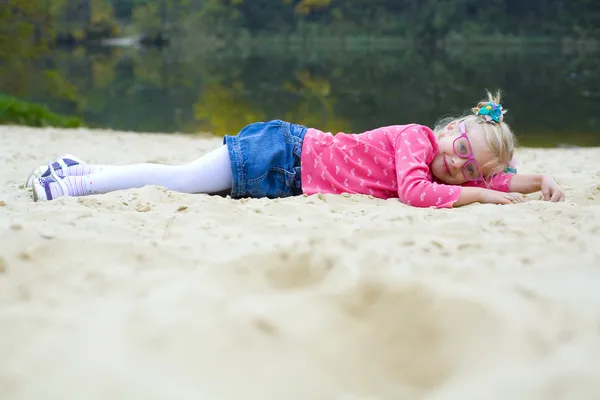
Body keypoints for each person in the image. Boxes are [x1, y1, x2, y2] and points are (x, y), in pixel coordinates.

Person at [27, 90, 565, 208]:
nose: (457, 163)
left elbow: (484, 179)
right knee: (179, 179)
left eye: (468, 167)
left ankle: (78, 168)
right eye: (459, 147)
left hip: (283, 177)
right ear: (448, 129)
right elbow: (416, 193)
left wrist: (533, 182)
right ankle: (70, 185)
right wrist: (485, 198)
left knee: (181, 175)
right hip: (281, 154)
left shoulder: (450, 168)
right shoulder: (415, 141)